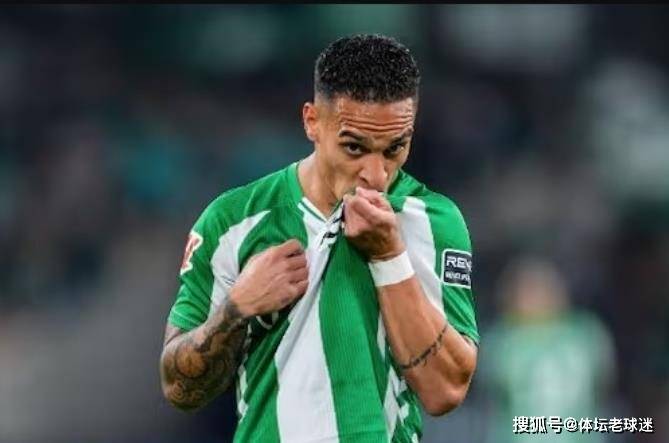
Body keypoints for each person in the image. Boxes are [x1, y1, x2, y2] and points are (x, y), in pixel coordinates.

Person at [159, 34, 479, 442]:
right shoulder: (233, 221)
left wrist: (389, 256)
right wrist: (236, 310)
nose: (376, 175)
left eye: (394, 148)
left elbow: (445, 391)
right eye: (354, 148)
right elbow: (179, 389)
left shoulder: (434, 221)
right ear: (312, 121)